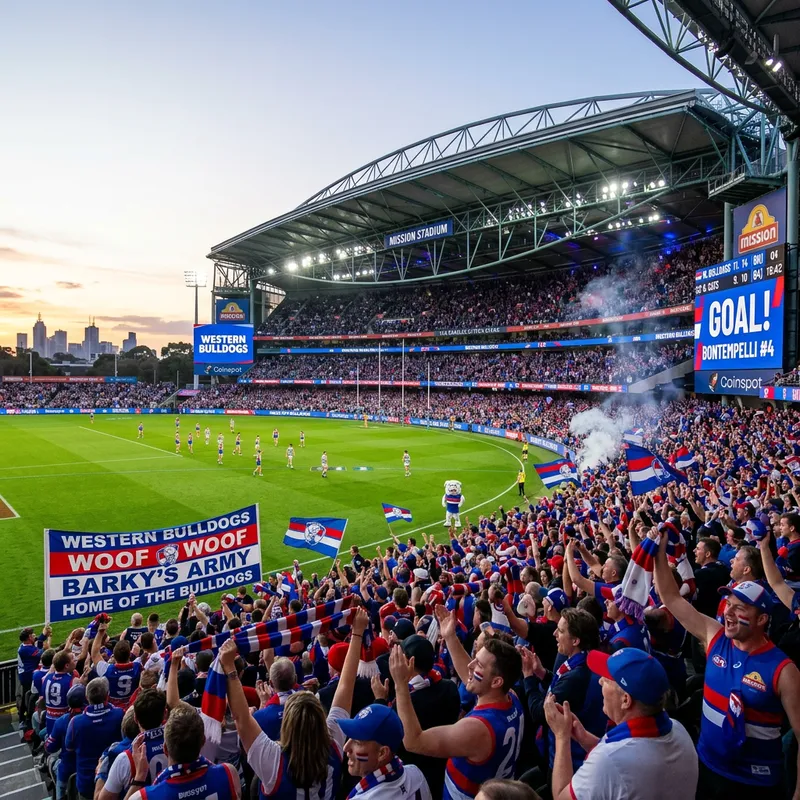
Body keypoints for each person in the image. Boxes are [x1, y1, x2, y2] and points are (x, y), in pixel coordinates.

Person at [653, 527, 800, 799]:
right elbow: (671, 598)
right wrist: (659, 551)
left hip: (756, 786)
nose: (729, 613)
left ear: (761, 620)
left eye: (740, 608)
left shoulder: (784, 671)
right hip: (707, 768)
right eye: (728, 604)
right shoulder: (716, 637)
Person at [225, 607, 369, 798]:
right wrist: (357, 633)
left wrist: (228, 665)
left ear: (287, 725)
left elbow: (241, 717)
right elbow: (346, 685)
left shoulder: (273, 762)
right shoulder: (334, 744)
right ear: (320, 719)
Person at [392, 606, 524, 799]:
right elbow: (475, 680)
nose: (470, 665)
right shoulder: (511, 697)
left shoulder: (476, 729)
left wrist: (401, 685)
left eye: (478, 664)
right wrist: (450, 637)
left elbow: (414, 742)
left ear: (497, 681)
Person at [544, 648, 698, 799]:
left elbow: (561, 797)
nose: (600, 680)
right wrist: (584, 738)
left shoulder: (607, 762)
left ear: (626, 700)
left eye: (607, 679)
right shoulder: (678, 730)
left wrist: (561, 736)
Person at [520, 608, 606, 777]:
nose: (554, 634)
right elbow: (562, 687)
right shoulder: (581, 662)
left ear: (575, 640)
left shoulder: (577, 676)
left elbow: (539, 713)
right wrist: (542, 674)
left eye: (560, 630)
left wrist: (528, 677)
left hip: (567, 763)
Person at [373, 634, 460, 793]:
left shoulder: (406, 703)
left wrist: (380, 700)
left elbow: (384, 736)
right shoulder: (449, 687)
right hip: (442, 769)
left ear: (408, 662)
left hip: (414, 779)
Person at [127, 704, 240, 800]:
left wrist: (139, 777)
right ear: (203, 742)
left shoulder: (143, 797)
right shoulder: (228, 773)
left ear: (165, 749)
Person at [98, 689, 168, 798]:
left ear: (135, 718)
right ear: (165, 714)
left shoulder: (125, 758)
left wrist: (100, 774)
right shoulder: (177, 746)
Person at [65, 677, 124, 800]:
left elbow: (69, 747)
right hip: (113, 781)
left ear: (87, 698)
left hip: (87, 782)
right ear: (107, 696)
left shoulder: (75, 722)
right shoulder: (119, 714)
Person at [45, 684, 85, 800]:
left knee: (53, 760)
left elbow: (50, 747)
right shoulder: (95, 719)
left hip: (68, 770)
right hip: (89, 770)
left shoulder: (62, 722)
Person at [92, 634, 143, 710]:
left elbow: (95, 654)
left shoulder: (107, 670)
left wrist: (100, 633)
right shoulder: (137, 667)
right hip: (132, 708)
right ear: (130, 655)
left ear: (114, 656)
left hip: (112, 709)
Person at [253, 657, 298, 741]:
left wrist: (263, 704)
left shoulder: (259, 716)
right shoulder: (312, 703)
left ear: (271, 683)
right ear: (295, 679)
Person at [43, 650, 76, 735]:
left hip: (50, 720)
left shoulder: (47, 678)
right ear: (67, 665)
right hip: (65, 722)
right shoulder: (72, 681)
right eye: (72, 659)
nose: (74, 660)